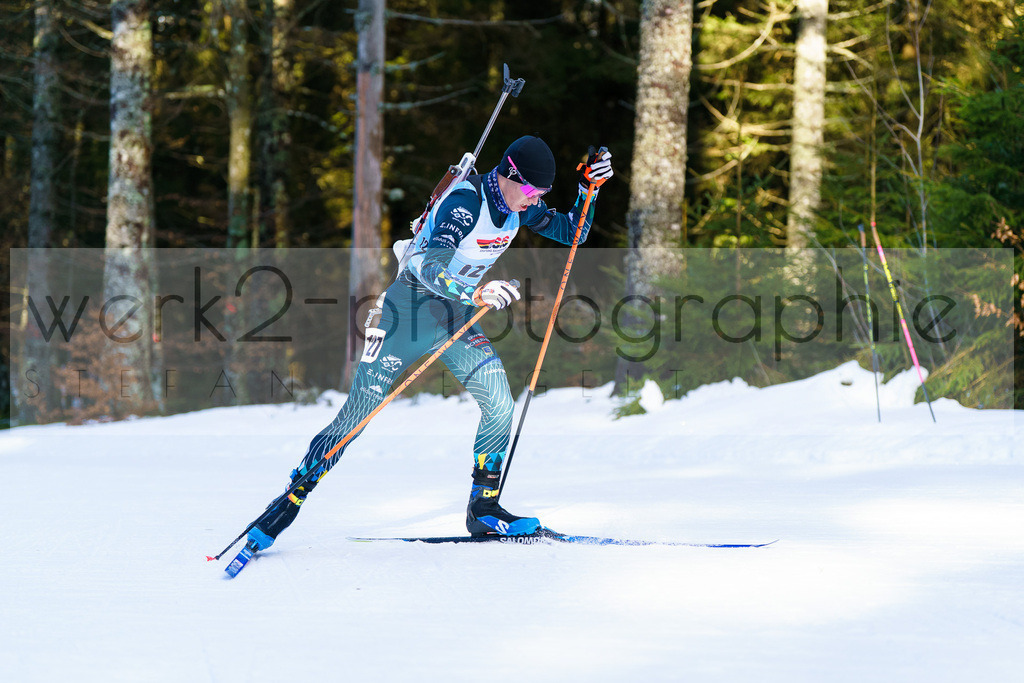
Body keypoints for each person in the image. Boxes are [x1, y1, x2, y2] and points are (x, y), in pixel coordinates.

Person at [246, 135, 614, 550]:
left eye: (542, 194)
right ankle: (291, 498)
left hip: (452, 315)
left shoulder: (518, 206)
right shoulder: (466, 203)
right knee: (359, 413)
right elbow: (425, 264)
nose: (533, 201)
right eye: (530, 191)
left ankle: (484, 509)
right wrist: (474, 292)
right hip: (407, 311)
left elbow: (574, 233)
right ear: (509, 173)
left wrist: (588, 190)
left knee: (498, 401)